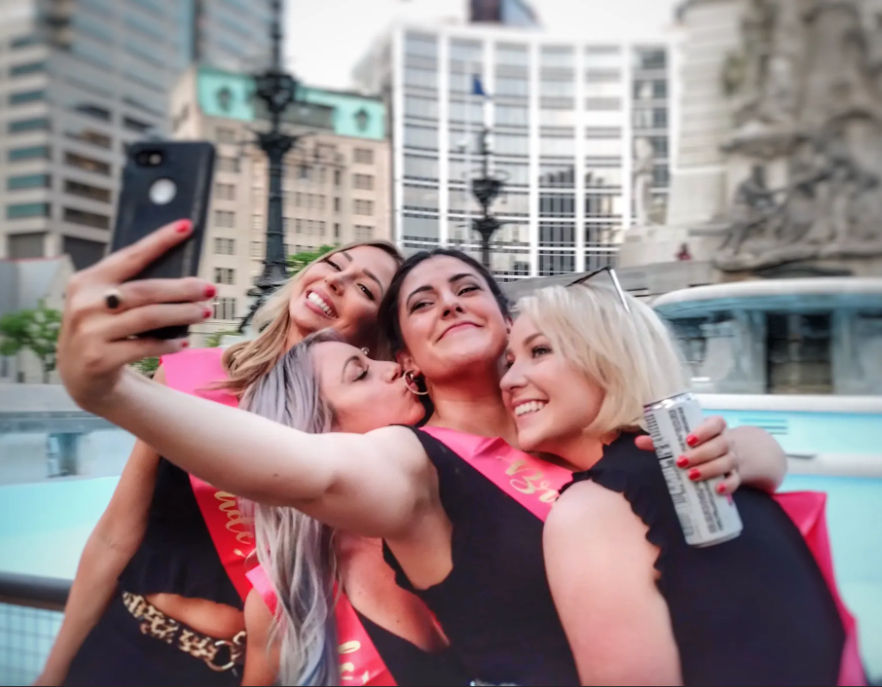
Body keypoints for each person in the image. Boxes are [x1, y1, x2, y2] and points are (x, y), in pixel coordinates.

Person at [56, 226, 787, 685]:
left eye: (468, 288)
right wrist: (113, 393)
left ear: (505, 318)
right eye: (421, 301)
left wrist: (749, 453)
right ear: (405, 354)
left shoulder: (568, 417)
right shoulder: (409, 461)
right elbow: (308, 468)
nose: (450, 303)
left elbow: (717, 466)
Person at [38, 218, 413, 686]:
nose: (335, 279)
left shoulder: (371, 436)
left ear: (377, 331)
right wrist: (52, 671)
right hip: (121, 643)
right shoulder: (193, 378)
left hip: (241, 671)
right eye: (333, 264)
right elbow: (116, 533)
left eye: (363, 287)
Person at [501, 282, 854, 685]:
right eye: (509, 362)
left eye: (540, 351)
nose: (509, 380)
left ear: (611, 359)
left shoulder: (594, 511)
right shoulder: (718, 464)